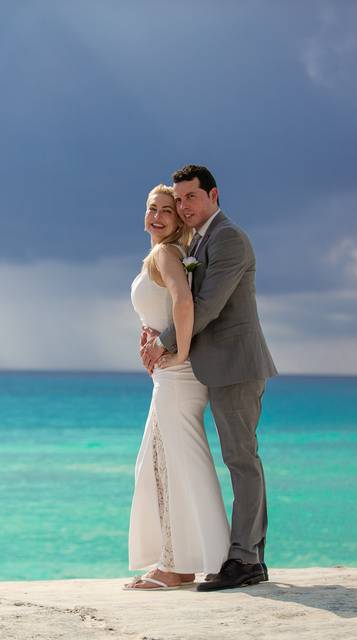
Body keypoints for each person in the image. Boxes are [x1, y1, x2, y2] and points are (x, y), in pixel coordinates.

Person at [141, 165, 277, 591]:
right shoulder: (198, 241)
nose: (183, 207)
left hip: (237, 365)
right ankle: (247, 556)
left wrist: (164, 343)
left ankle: (245, 560)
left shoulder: (228, 238)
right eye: (178, 200)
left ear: (213, 195)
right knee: (238, 458)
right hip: (213, 366)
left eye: (190, 198)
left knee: (241, 459)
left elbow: (208, 303)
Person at [123, 184, 232, 591]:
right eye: (152, 208)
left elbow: (184, 303)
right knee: (158, 465)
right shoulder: (166, 254)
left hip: (177, 375)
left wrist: (179, 351)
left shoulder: (167, 253)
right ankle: (178, 560)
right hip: (170, 375)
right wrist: (150, 334)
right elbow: (167, 308)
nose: (157, 216)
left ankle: (188, 563)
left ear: (179, 217)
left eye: (167, 210)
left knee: (175, 466)